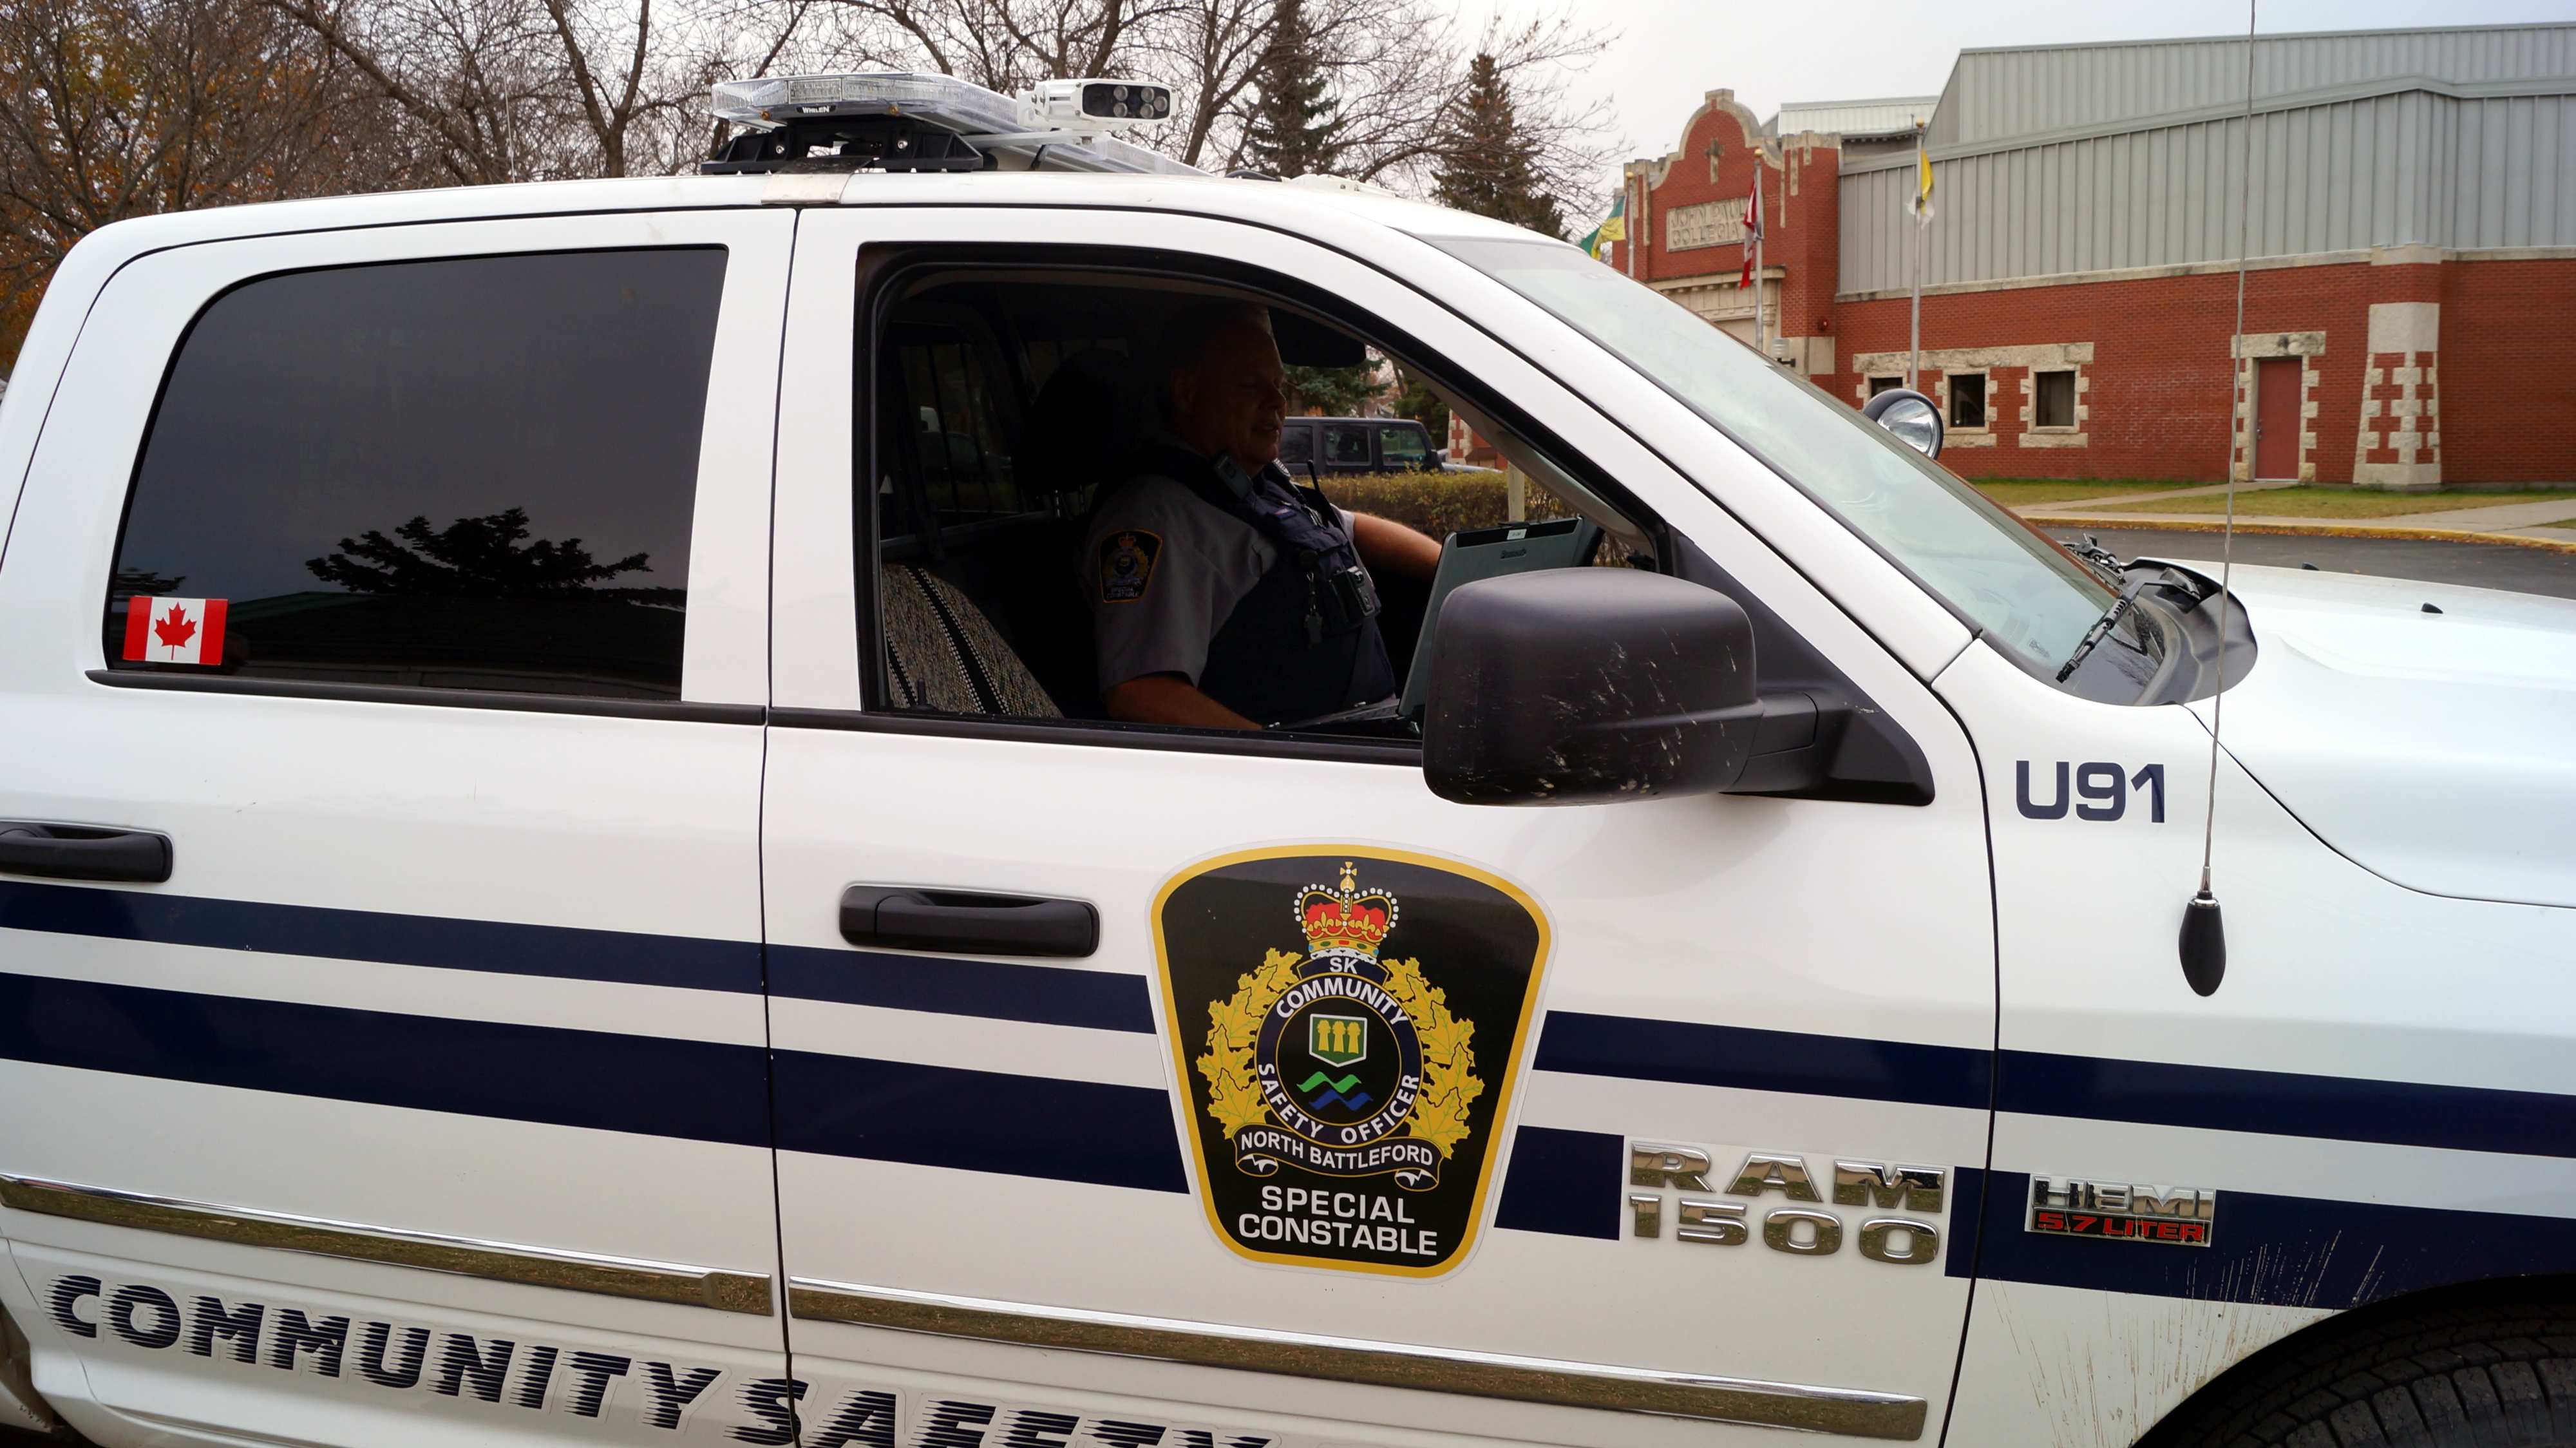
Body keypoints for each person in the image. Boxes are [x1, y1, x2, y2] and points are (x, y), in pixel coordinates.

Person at [1079, 301, 1441, 730]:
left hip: (1366, 736)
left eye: (1279, 385)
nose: (1277, 402)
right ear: (1187, 392)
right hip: (1303, 768)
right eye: (1251, 386)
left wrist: (1451, 571)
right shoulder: (1153, 518)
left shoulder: (1253, 482)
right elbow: (1141, 693)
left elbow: (1352, 528)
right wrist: (1290, 767)